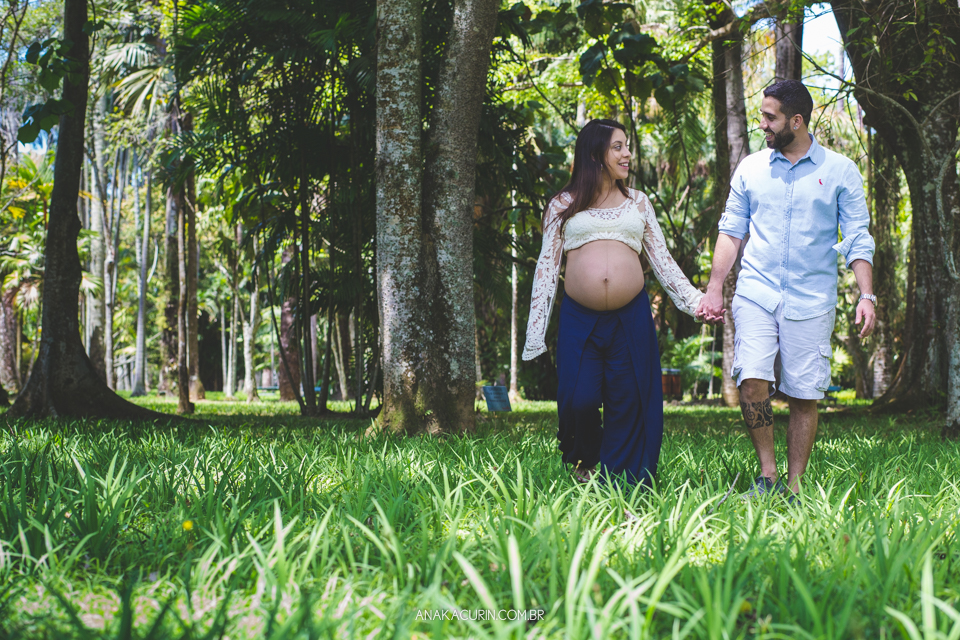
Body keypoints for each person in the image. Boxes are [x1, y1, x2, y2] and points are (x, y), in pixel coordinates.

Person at [696, 80, 876, 499]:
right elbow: (731, 230)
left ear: (796, 121)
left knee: (803, 394)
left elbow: (857, 238)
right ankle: (767, 475)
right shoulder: (751, 168)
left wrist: (866, 295)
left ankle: (794, 488)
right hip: (756, 292)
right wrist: (714, 287)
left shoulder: (840, 171)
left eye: (770, 117)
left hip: (811, 299)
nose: (762, 124)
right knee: (751, 380)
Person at [522, 119, 703, 486]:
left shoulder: (638, 202)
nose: (627, 154)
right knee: (578, 398)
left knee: (628, 397)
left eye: (627, 146)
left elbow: (662, 260)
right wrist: (535, 332)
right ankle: (586, 458)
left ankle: (618, 477)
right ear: (595, 154)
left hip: (630, 316)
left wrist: (696, 302)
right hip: (579, 318)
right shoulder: (563, 204)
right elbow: (546, 268)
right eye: (617, 147)